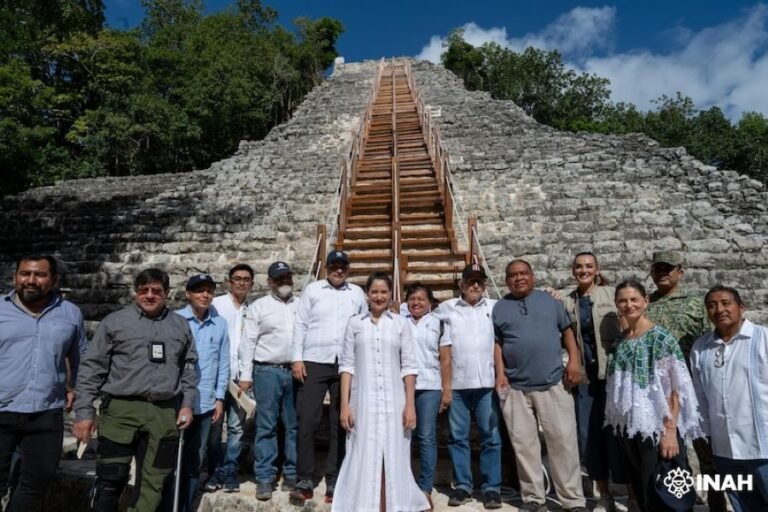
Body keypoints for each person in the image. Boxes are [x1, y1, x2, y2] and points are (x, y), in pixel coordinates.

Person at [73, 268, 199, 512]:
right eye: (144, 291)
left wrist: (187, 404)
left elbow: (189, 368)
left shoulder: (180, 325)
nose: (149, 296)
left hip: (164, 415)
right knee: (110, 479)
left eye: (156, 291)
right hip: (121, 412)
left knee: (154, 484)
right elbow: (92, 368)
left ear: (167, 294)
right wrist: (84, 412)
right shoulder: (115, 322)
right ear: (135, 293)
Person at [493, 259, 586, 512]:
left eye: (524, 273)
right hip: (515, 388)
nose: (519, 278)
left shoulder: (551, 302)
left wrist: (574, 362)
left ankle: (572, 500)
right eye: (513, 275)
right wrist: (500, 374)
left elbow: (567, 332)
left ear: (532, 276)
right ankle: (534, 498)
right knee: (524, 446)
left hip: (553, 383)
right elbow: (498, 343)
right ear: (506, 280)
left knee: (563, 443)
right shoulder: (500, 308)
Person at [334, 273, 430, 512]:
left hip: (394, 399)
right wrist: (345, 405)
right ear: (367, 294)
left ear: (390, 295)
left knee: (395, 449)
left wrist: (410, 405)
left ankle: (396, 502)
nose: (379, 296)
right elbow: (347, 365)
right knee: (362, 449)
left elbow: (409, 366)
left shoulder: (400, 323)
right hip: (363, 399)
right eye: (374, 292)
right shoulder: (355, 323)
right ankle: (365, 503)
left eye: (384, 292)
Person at [605, 280, 702, 512]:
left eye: (634, 299)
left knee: (667, 494)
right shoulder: (621, 341)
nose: (629, 305)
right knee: (643, 491)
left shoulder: (661, 338)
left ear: (645, 301)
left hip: (658, 427)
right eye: (623, 300)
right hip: (631, 428)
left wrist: (669, 431)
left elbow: (675, 389)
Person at [0, 255, 87, 512]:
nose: (31, 280)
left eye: (39, 275)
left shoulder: (70, 313)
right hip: (2, 410)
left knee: (37, 482)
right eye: (25, 273)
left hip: (46, 412)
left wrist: (76, 392)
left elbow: (81, 359)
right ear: (15, 277)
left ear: (54, 279)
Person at [647, 251, 724, 512]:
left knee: (708, 454)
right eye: (658, 269)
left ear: (680, 271)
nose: (663, 273)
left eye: (668, 268)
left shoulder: (696, 304)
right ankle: (681, 504)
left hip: (694, 389)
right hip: (662, 394)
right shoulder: (646, 305)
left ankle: (717, 504)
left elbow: (711, 342)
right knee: (673, 454)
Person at [290, 250, 366, 505]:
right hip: (314, 361)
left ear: (348, 269)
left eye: (343, 266)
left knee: (340, 422)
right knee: (307, 419)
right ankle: (305, 478)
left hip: (345, 363)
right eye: (334, 265)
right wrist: (297, 358)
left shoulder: (356, 293)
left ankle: (336, 477)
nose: (338, 270)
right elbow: (300, 324)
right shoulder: (313, 290)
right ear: (326, 267)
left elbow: (363, 326)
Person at [690, 285, 768, 512]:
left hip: (762, 448)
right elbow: (699, 397)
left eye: (726, 303)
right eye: (712, 305)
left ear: (741, 306)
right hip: (725, 450)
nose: (719, 309)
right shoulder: (700, 348)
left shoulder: (763, 339)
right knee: (743, 505)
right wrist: (705, 434)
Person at [435, 263, 502, 510]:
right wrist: (446, 387)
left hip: (486, 384)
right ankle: (463, 485)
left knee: (491, 437)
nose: (476, 285)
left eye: (480, 281)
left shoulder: (495, 307)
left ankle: (492, 488)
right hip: (459, 385)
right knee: (458, 437)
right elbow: (442, 348)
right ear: (461, 284)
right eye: (471, 281)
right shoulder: (446, 308)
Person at [560, 252, 623, 512]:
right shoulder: (567, 301)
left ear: (597, 270)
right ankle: (604, 494)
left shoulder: (613, 296)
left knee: (620, 433)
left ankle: (631, 493)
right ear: (573, 271)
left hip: (613, 375)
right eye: (578, 267)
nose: (583, 270)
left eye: (588, 266)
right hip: (586, 379)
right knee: (590, 436)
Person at [238, 261, 298, 501]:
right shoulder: (259, 307)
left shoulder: (302, 304)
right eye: (278, 278)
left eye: (286, 277)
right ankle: (265, 476)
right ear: (270, 281)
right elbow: (248, 342)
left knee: (293, 425)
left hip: (294, 370)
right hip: (266, 371)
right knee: (266, 425)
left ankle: (292, 473)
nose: (283, 281)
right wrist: (245, 375)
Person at [172, 274, 229, 512]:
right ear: (188, 294)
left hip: (205, 402)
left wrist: (219, 398)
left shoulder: (221, 323)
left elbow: (223, 363)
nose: (205, 295)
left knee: (195, 459)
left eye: (209, 291)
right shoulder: (175, 320)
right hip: (176, 401)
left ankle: (185, 506)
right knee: (172, 459)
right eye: (199, 291)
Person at [206, 263, 254, 492]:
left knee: (236, 428)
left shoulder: (253, 309)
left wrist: (247, 374)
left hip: (239, 379)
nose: (242, 282)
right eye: (237, 278)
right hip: (217, 375)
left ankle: (231, 470)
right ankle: (215, 470)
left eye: (246, 279)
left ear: (252, 284)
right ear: (229, 281)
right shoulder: (216, 305)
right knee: (214, 427)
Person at [403, 283, 448, 510]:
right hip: (402, 387)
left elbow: (445, 359)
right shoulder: (400, 322)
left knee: (426, 437)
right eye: (412, 298)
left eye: (421, 298)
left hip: (429, 386)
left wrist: (446, 390)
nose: (416, 303)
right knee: (403, 438)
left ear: (430, 302)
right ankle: (404, 485)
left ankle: (425, 488)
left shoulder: (438, 323)